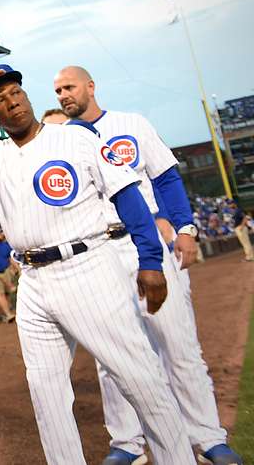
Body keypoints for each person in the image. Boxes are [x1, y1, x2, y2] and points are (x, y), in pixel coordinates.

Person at [0, 65, 192, 465]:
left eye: (15, 94)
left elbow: (127, 196)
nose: (12, 103)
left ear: (26, 96)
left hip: (87, 268)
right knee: (46, 393)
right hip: (32, 281)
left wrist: (150, 259)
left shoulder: (75, 138)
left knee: (139, 378)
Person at [53, 65, 242, 465]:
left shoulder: (130, 123)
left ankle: (207, 437)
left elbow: (167, 178)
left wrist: (185, 228)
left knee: (179, 344)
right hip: (100, 250)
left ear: (91, 86)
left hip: (147, 242)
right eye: (56, 91)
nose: (62, 95)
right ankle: (127, 443)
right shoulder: (61, 139)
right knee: (112, 355)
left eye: (68, 87)